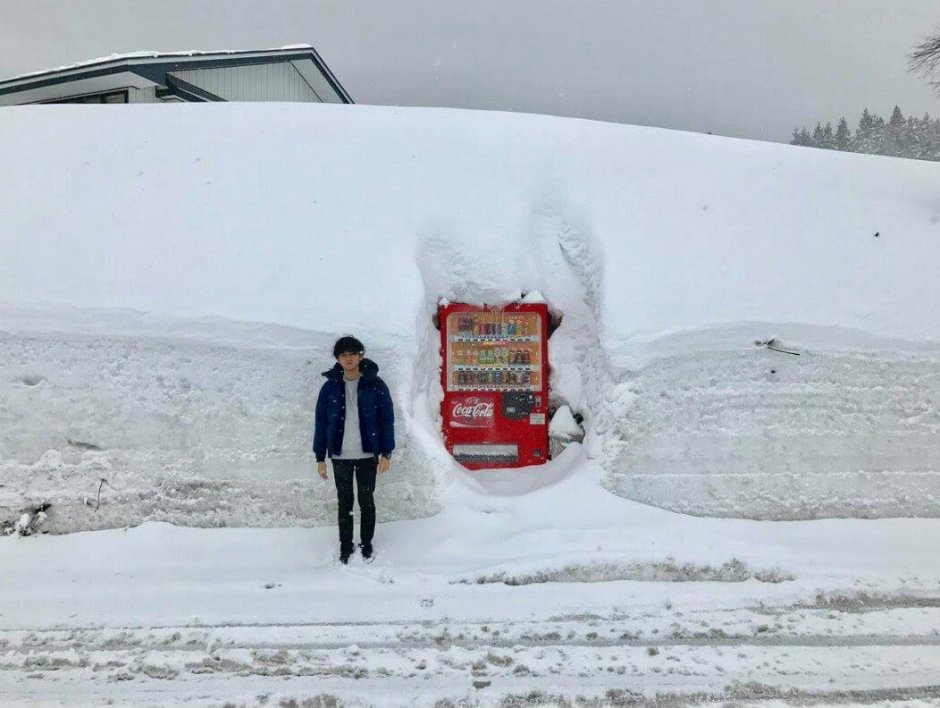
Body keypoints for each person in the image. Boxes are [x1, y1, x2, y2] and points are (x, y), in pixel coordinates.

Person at [313, 335, 395, 564]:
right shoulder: (329, 388)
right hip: (340, 456)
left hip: (368, 454)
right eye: (343, 355)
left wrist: (386, 452)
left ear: (361, 355)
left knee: (366, 501)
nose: (348, 359)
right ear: (338, 359)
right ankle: (346, 545)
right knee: (345, 502)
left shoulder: (376, 385)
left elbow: (387, 419)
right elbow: (321, 423)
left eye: (352, 354)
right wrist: (320, 457)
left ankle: (366, 543)